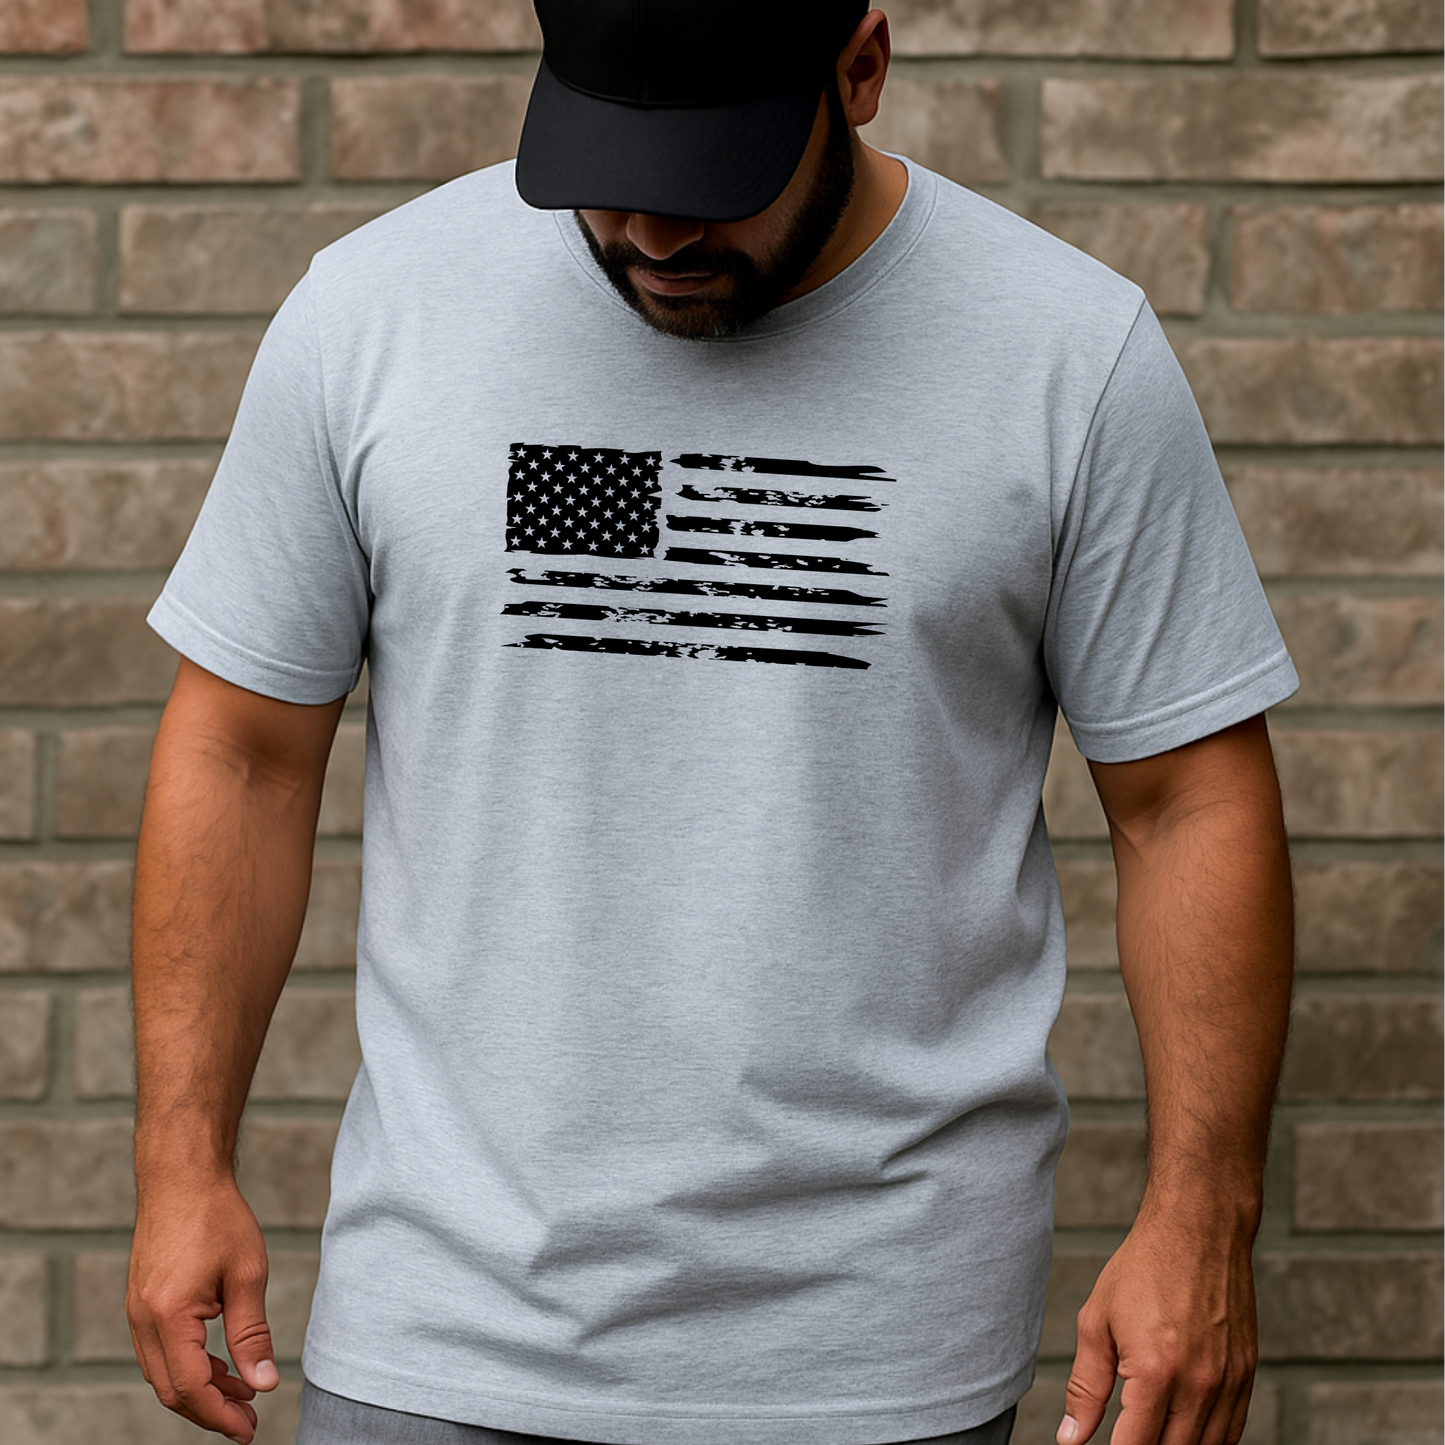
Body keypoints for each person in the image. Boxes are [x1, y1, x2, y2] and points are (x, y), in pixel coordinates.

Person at [125, 2, 1298, 1444]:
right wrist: (180, 1163)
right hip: (449, 1327)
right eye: (609, 172)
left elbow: (1189, 802)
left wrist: (1202, 1217)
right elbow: (241, 756)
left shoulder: (1069, 352)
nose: (656, 232)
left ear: (860, 70)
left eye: (717, 175)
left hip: (881, 1354)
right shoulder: (372, 316)